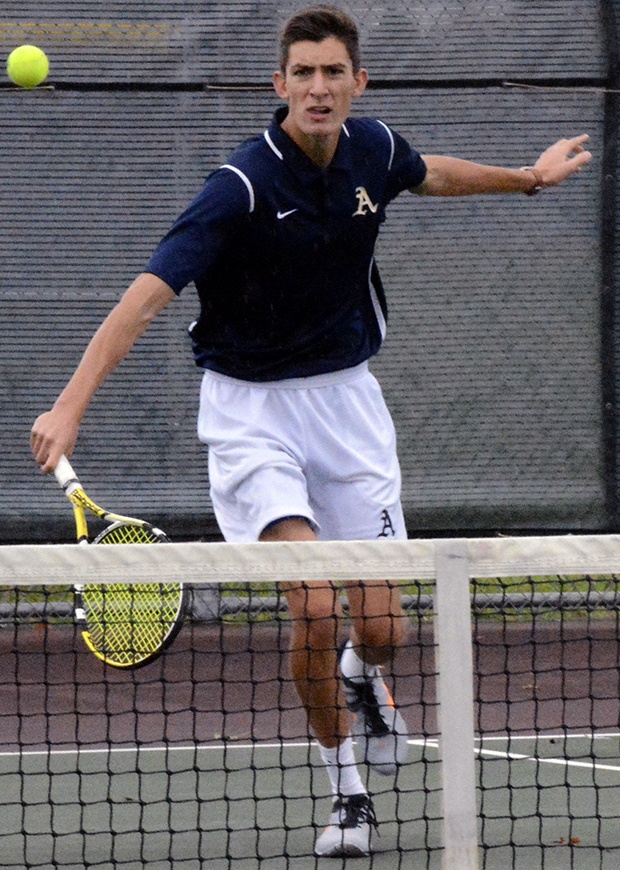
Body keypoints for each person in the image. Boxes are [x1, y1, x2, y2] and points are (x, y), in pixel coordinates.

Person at [30, 4, 592, 858]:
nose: (319, 88)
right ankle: (347, 794)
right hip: (251, 414)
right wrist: (70, 405)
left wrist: (527, 177)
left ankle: (364, 683)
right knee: (313, 604)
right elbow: (148, 294)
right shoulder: (240, 186)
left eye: (334, 73)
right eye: (304, 74)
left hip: (347, 407)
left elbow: (426, 172)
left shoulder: (370, 147)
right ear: (280, 86)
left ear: (356, 82)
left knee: (384, 630)